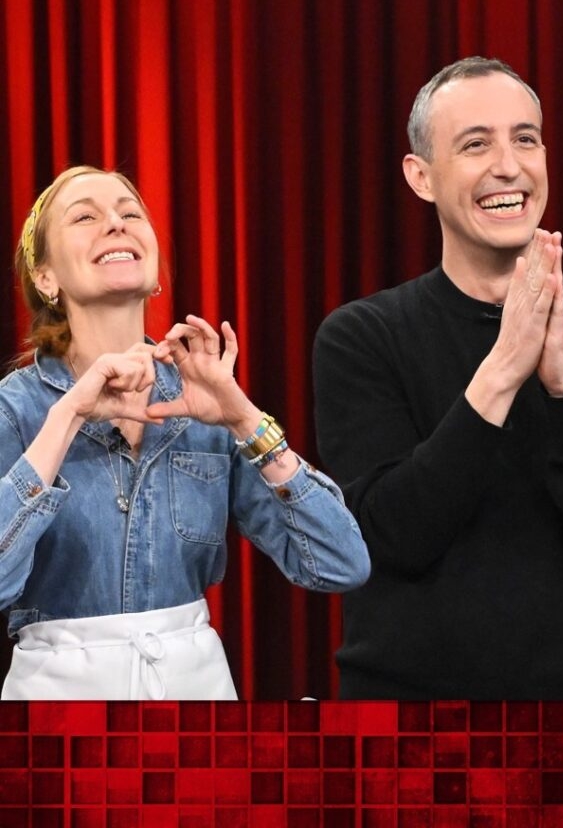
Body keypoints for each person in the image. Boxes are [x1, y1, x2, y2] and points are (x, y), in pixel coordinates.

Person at [0, 165, 370, 700]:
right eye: (85, 216)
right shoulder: (15, 409)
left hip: (195, 701)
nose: (116, 224)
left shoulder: (205, 404)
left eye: (130, 213)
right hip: (58, 710)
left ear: (154, 273)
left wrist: (244, 418)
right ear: (45, 278)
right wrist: (67, 417)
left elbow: (342, 564)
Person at [313, 56, 563, 700]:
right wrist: (500, 374)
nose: (508, 165)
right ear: (421, 176)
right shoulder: (361, 337)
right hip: (415, 720)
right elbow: (390, 538)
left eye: (525, 139)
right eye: (475, 144)